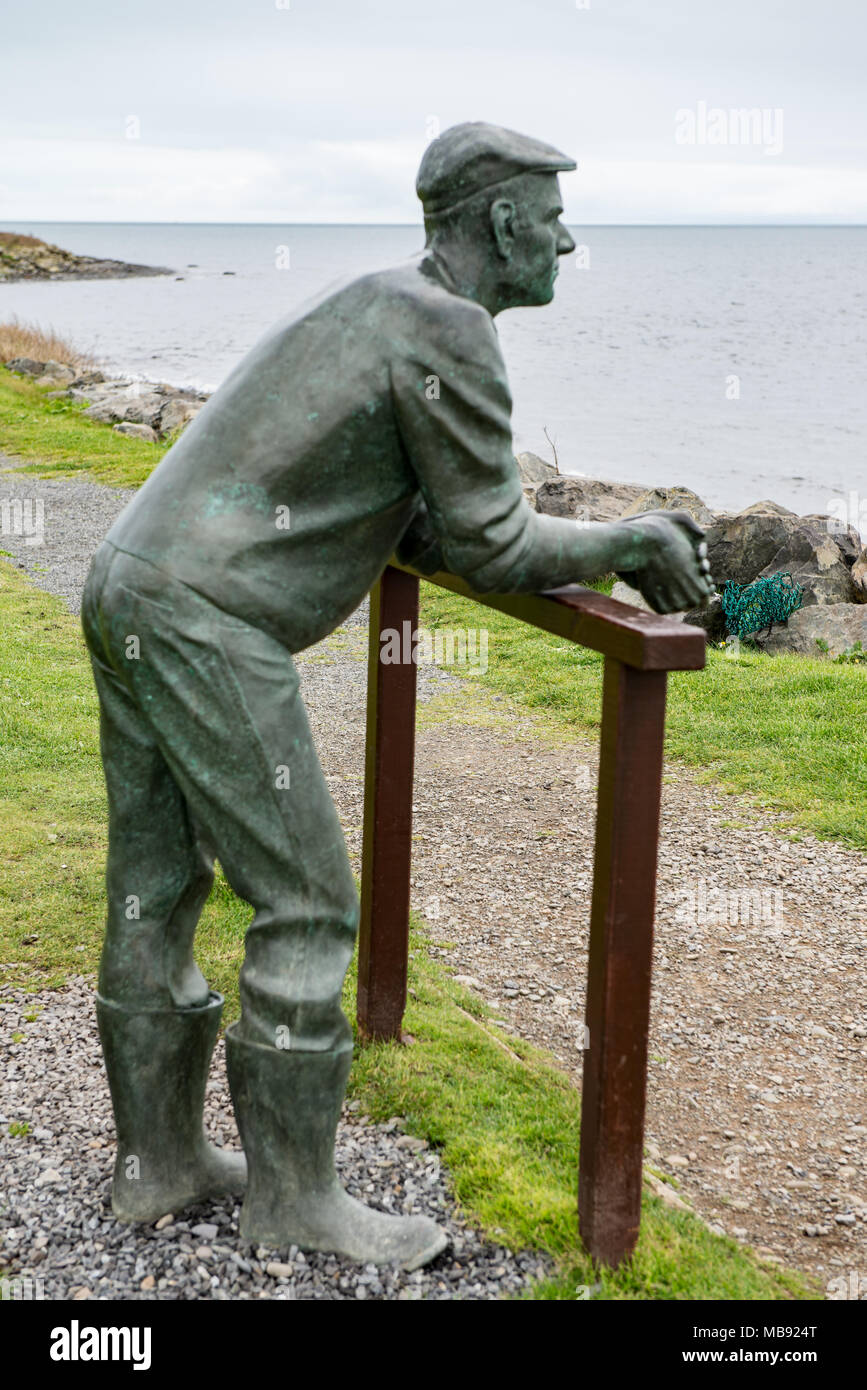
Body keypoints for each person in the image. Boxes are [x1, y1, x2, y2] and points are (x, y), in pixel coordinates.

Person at [81, 121, 714, 1271]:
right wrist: (627, 538)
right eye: (555, 214)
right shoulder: (451, 329)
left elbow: (416, 515)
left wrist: (577, 539)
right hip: (203, 617)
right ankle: (294, 1202)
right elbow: (489, 535)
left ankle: (159, 1166)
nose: (570, 241)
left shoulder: (385, 302)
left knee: (156, 883)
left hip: (132, 579)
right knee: (310, 902)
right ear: (504, 220)